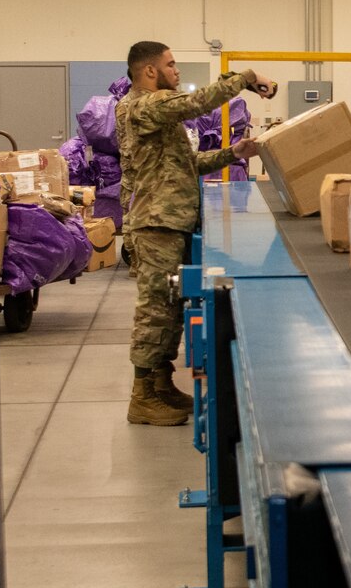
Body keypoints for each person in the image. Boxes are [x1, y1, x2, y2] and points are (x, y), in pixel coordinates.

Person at [116, 41, 277, 426]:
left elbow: (189, 164)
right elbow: (196, 103)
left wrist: (235, 152)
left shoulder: (158, 114)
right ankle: (142, 397)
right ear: (149, 71)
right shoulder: (140, 106)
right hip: (155, 225)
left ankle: (160, 385)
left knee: (170, 310)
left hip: (172, 223)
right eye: (170, 65)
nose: (176, 72)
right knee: (154, 312)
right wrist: (247, 78)